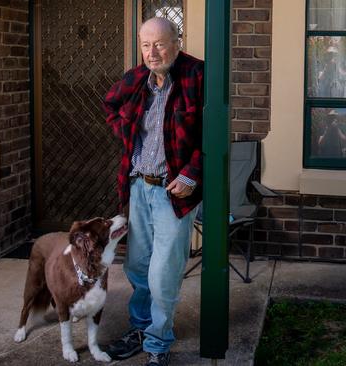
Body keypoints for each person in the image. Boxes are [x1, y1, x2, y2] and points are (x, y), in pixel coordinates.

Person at [102, 17, 203, 366]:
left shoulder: (196, 76)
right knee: (138, 268)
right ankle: (141, 328)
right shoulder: (136, 79)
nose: (152, 52)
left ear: (177, 41)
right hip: (137, 187)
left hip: (174, 193)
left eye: (159, 43)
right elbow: (110, 105)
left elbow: (217, 132)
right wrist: (126, 133)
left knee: (163, 275)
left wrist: (192, 173)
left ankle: (158, 346)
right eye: (146, 45)